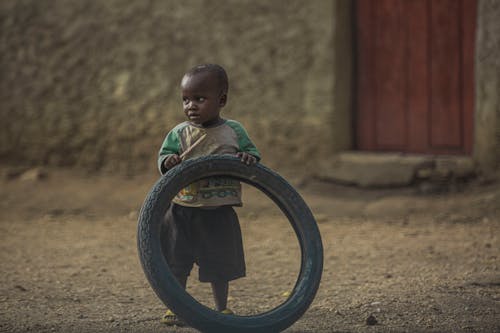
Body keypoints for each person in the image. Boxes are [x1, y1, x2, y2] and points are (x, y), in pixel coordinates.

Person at [157, 64, 261, 326]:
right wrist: (169, 161)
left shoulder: (234, 131)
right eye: (186, 99)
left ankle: (221, 308)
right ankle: (177, 306)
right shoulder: (179, 133)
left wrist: (247, 157)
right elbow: (163, 158)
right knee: (177, 262)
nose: (191, 106)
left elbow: (252, 154)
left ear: (221, 100)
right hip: (183, 209)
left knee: (219, 265)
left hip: (219, 211)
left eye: (199, 99)